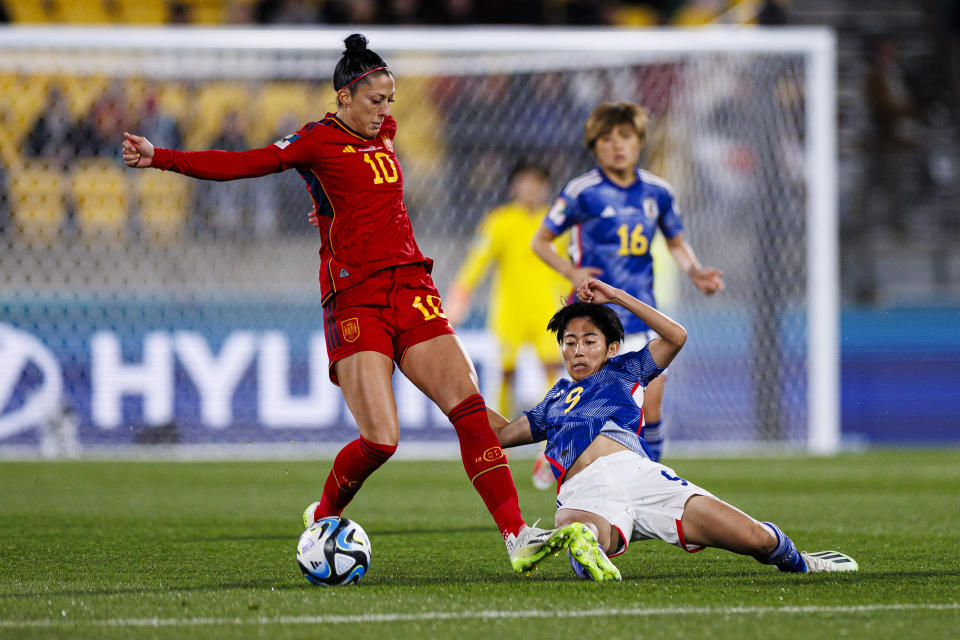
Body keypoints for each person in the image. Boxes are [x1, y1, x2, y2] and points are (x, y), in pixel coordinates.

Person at [121, 33, 600, 575]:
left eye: (390, 101)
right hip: (355, 298)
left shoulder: (385, 133)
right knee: (382, 439)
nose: (385, 111)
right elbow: (244, 162)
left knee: (470, 411)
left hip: (412, 288)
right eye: (375, 100)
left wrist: (333, 210)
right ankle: (324, 514)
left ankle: (518, 537)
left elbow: (362, 193)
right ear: (344, 96)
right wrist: (161, 157)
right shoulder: (315, 141)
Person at [494, 277, 859, 581]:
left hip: (642, 477)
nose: (577, 351)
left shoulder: (624, 371)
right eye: (569, 342)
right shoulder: (552, 401)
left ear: (611, 348)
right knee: (584, 528)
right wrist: (460, 402)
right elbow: (501, 436)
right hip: (585, 489)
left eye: (589, 341)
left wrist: (618, 296)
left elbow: (676, 337)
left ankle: (801, 561)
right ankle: (584, 548)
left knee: (756, 538)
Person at [531, 101, 724, 463]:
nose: (617, 145)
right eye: (606, 138)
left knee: (652, 406)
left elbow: (676, 242)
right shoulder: (581, 191)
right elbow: (539, 241)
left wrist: (695, 270)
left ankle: (652, 478)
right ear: (594, 145)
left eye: (625, 136)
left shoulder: (658, 192)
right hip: (595, 319)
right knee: (594, 409)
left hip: (641, 311)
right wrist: (572, 273)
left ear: (639, 141)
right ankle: (560, 458)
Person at [445, 161, 568, 421]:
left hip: (548, 309)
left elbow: (570, 266)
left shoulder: (557, 224)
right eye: (526, 182)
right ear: (514, 186)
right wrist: (460, 294)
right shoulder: (500, 221)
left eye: (538, 184)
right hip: (510, 310)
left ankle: (552, 435)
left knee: (552, 368)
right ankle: (500, 433)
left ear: (547, 188)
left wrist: (574, 302)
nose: (532, 189)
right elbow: (476, 262)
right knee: (505, 371)